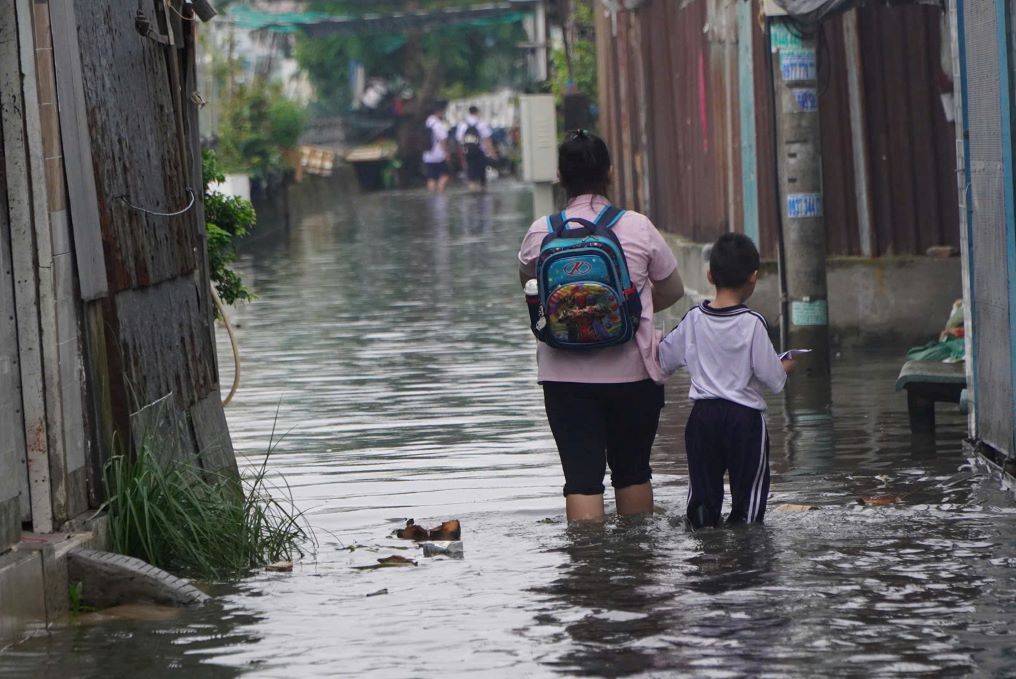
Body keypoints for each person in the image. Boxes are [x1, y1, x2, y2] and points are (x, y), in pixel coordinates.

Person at [517, 130, 685, 522]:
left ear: (560, 176)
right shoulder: (638, 227)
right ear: (609, 173)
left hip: (564, 377)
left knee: (581, 480)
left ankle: (588, 569)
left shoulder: (542, 231)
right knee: (632, 474)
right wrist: (629, 312)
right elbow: (673, 290)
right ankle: (634, 560)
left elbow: (530, 290)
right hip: (632, 375)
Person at [658, 233, 796, 530]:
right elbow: (773, 380)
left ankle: (705, 558)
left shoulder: (693, 318)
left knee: (703, 502)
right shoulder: (753, 323)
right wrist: (785, 364)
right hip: (744, 419)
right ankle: (745, 560)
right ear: (753, 278)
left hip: (703, 418)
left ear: (709, 275)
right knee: (749, 504)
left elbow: (664, 360)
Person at [456, 106, 498, 192]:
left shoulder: (462, 124)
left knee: (471, 175)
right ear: (477, 112)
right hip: (480, 152)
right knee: (481, 175)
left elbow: (459, 140)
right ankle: (482, 191)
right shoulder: (481, 124)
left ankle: (472, 192)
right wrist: (493, 154)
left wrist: (462, 156)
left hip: (467, 152)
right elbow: (487, 141)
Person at [423, 103, 451, 193]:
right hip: (439, 155)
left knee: (431, 177)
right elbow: (443, 140)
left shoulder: (427, 122)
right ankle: (440, 192)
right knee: (445, 175)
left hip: (427, 155)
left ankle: (432, 194)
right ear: (439, 113)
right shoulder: (438, 125)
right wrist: (446, 153)